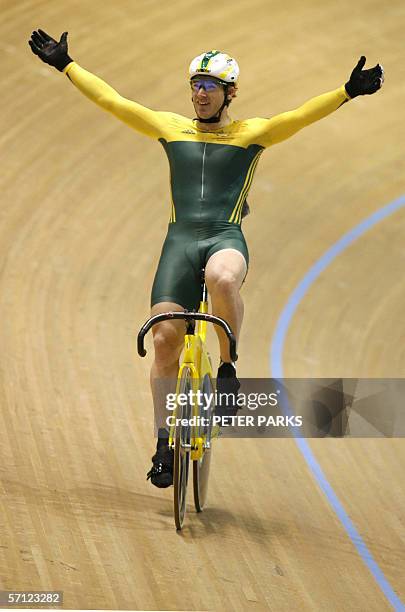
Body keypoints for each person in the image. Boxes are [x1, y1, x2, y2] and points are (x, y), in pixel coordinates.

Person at [28, 30, 384, 487]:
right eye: (195, 85)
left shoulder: (252, 134)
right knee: (162, 344)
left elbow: (298, 116)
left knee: (222, 278)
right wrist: (67, 65)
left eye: (210, 86)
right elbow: (116, 102)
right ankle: (162, 445)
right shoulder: (171, 128)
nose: (199, 93)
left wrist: (347, 92)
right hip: (179, 242)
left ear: (229, 93)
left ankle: (228, 367)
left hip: (223, 236)